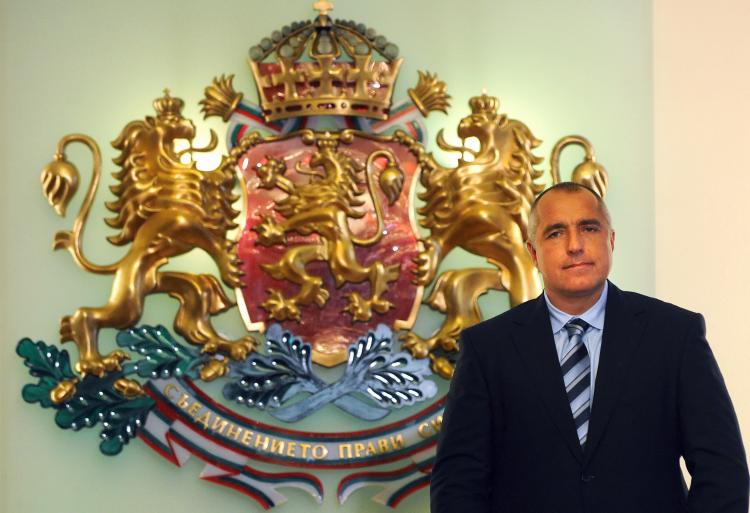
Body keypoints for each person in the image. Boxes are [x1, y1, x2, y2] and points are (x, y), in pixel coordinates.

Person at [430, 182, 749, 513]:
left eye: (589, 228)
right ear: (532, 252)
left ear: (610, 240)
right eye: (555, 233)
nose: (575, 245)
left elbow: (722, 471)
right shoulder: (487, 349)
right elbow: (457, 482)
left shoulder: (674, 336)